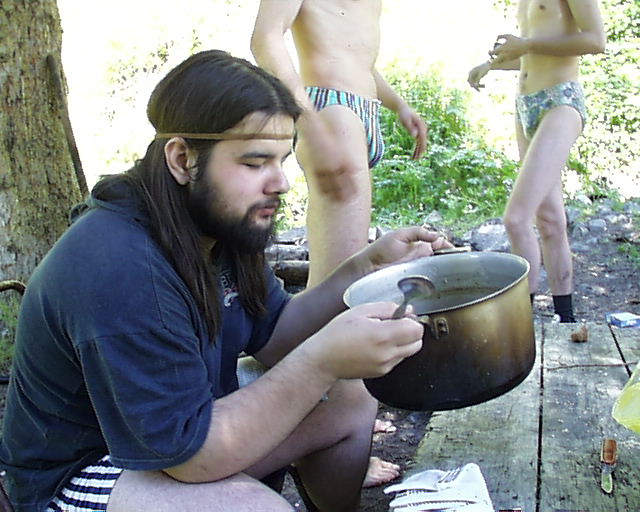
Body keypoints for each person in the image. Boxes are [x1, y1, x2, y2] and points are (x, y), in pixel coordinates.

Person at [0, 50, 450, 512]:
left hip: (180, 438)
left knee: (349, 398)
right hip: (83, 472)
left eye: (282, 160)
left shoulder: (216, 225)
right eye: (255, 163)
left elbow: (276, 334)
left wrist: (366, 268)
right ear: (182, 159)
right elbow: (191, 456)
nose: (280, 183)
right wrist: (321, 361)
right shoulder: (121, 265)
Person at [250, 0, 429, 288]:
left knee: (348, 274)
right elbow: (265, 39)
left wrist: (399, 105)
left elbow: (356, 60)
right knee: (339, 282)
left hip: (363, 112)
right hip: (330, 112)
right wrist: (309, 120)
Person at [467, 0, 605, 323]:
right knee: (550, 221)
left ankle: (519, 325)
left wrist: (526, 44)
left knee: (516, 219)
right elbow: (534, 54)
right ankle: (565, 320)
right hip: (525, 106)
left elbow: (596, 40)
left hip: (561, 100)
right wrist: (493, 65)